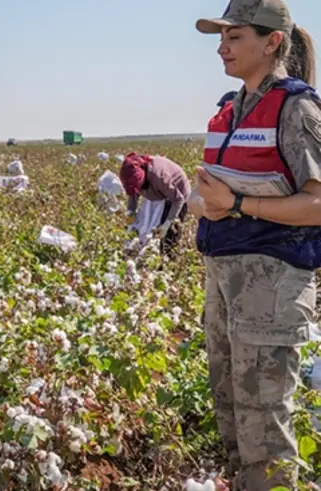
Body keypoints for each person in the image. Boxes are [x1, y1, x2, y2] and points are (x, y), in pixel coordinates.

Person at [190, 0, 321, 488]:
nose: (222, 47)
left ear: (273, 43)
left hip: (271, 291)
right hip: (227, 284)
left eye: (235, 36)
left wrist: (240, 204)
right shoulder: (231, 107)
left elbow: (317, 205)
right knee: (233, 418)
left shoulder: (297, 107)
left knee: (265, 429)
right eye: (220, 37)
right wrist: (207, 203)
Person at [119, 152, 191, 256]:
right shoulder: (133, 174)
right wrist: (130, 213)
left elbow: (178, 199)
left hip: (178, 196)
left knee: (168, 238)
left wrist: (167, 224)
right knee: (148, 229)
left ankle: (168, 262)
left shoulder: (160, 177)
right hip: (159, 194)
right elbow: (133, 194)